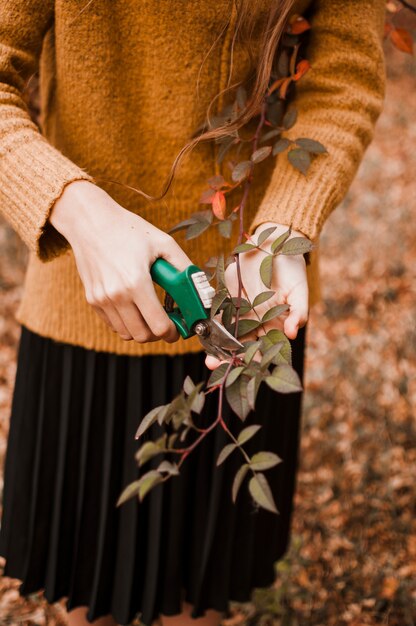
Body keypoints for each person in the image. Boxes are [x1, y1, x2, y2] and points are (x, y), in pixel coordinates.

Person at [0, 0, 386, 625]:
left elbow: (343, 76)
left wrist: (280, 232)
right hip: (81, 304)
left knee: (199, 597)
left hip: (250, 312)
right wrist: (74, 208)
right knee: (88, 599)